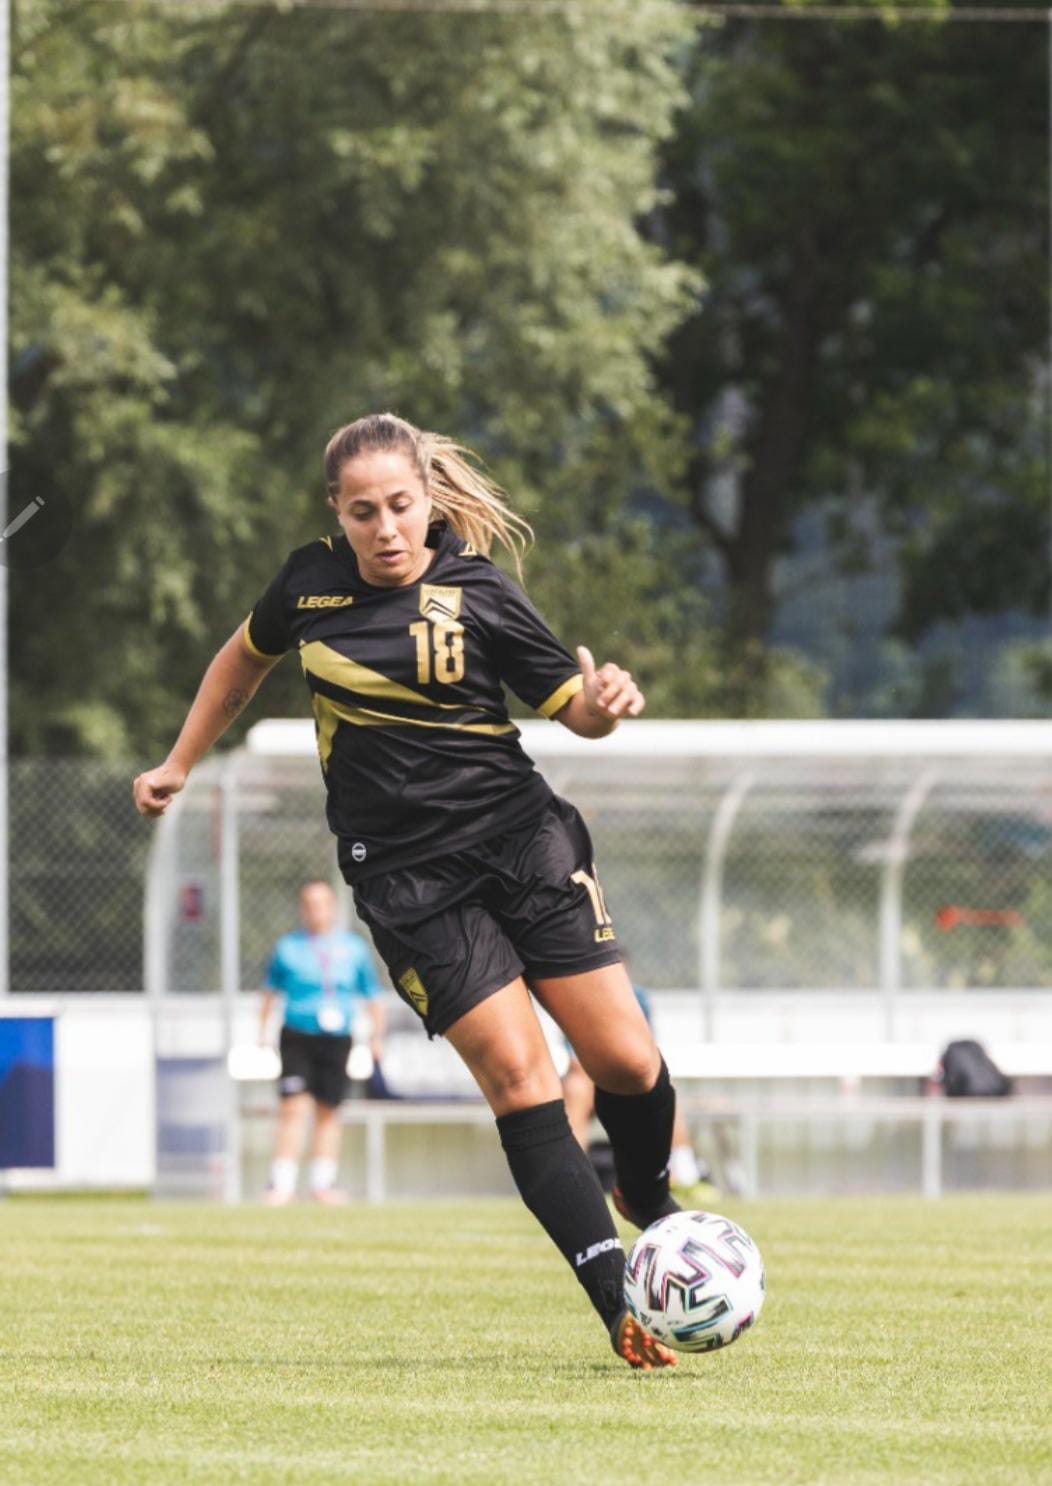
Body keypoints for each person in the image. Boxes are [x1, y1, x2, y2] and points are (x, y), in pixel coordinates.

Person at [133, 411, 683, 1370]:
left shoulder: (481, 591)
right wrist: (180, 761)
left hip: (523, 844)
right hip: (408, 879)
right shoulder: (306, 587)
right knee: (519, 1079)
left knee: (627, 1062)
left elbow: (574, 711)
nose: (384, 528)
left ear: (428, 500)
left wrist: (605, 705)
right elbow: (241, 660)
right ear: (336, 514)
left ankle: (651, 1198)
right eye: (363, 512)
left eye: (399, 505)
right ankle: (616, 1301)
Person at [259, 878, 386, 1205]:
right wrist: (261, 1033)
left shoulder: (353, 948)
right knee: (293, 1107)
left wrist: (377, 1036)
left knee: (329, 1110)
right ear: (302, 909)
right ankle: (281, 1184)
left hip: (337, 1037)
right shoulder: (288, 947)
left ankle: (323, 1183)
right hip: (297, 1035)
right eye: (310, 904)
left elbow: (372, 995)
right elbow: (269, 993)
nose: (316, 910)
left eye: (322, 903)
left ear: (332, 907)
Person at [562, 978, 716, 1199]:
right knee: (575, 1087)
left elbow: (645, 1049)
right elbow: (575, 1060)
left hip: (626, 1073)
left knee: (664, 1085)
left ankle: (683, 1175)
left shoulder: (637, 996)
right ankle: (571, 1179)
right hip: (588, 1077)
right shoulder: (571, 991)